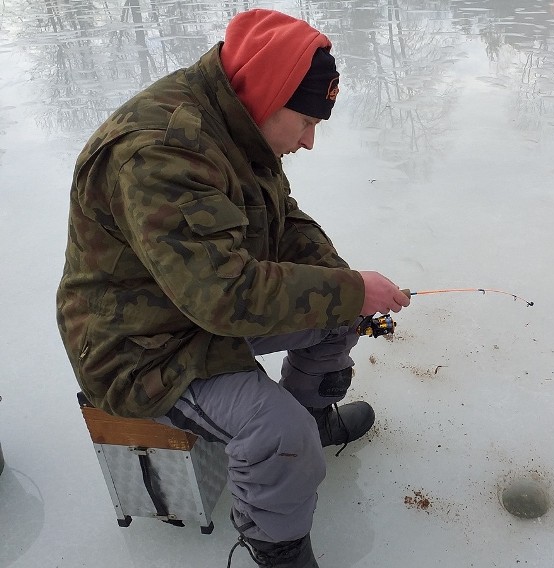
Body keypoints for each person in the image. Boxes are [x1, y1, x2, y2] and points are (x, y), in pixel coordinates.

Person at [56, 8, 410, 568]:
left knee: (339, 309)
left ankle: (313, 420)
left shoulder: (236, 122)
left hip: (195, 307)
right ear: (269, 97)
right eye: (306, 122)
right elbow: (227, 297)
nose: (311, 141)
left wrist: (346, 285)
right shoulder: (161, 154)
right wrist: (348, 291)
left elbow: (283, 220)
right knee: (277, 433)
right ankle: (278, 547)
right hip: (139, 345)